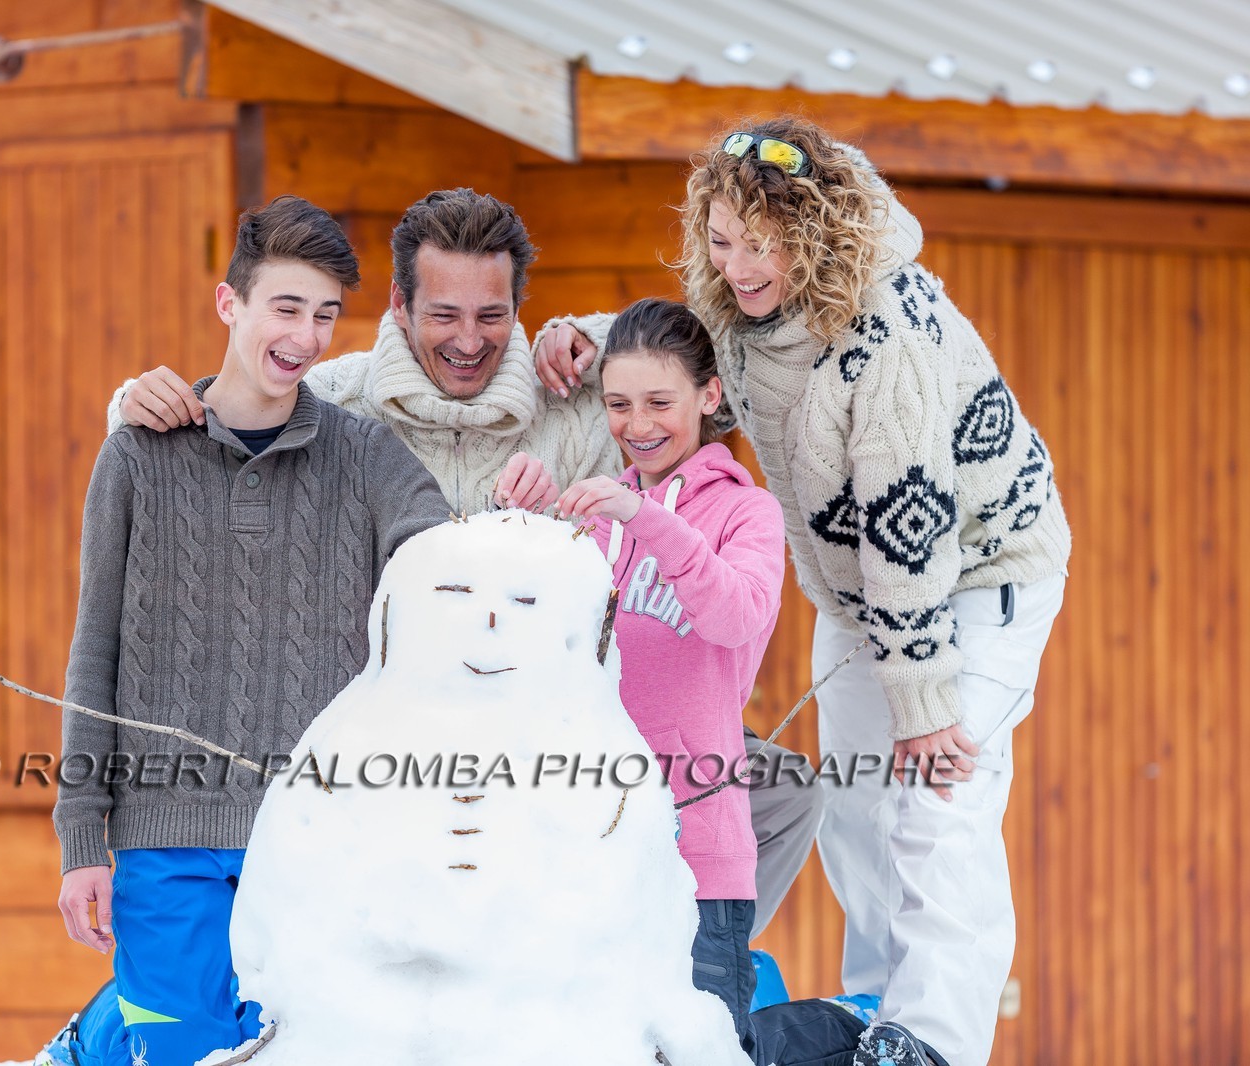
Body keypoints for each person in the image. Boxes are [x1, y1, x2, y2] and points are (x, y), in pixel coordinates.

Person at [105, 187, 825, 939]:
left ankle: (681, 972)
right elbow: (227, 419)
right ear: (399, 306)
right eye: (444, 315)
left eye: (492, 315)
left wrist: (597, 335)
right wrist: (140, 400)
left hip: (553, 724)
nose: (469, 341)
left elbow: (717, 380)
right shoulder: (337, 404)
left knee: (781, 792)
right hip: (393, 730)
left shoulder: (573, 398)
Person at [538, 119, 1071, 1066]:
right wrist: (589, 335)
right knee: (862, 806)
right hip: (861, 591)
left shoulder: (887, 333)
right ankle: (880, 1009)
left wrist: (923, 701)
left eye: (762, 243)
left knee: (935, 798)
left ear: (813, 232)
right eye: (722, 239)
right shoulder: (749, 313)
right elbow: (682, 347)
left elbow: (909, 523)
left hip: (973, 577)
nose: (739, 265)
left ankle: (938, 1041)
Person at [53, 194, 449, 1066]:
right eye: (286, 307)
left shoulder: (366, 457)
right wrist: (83, 840)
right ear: (229, 304)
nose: (305, 336)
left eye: (324, 315)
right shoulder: (137, 457)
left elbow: (450, 560)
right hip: (163, 844)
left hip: (314, 845)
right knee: (183, 1052)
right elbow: (96, 652)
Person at [557, 297, 872, 1066]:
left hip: (700, 859)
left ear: (709, 397)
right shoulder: (597, 519)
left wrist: (649, 521)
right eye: (619, 404)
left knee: (700, 1055)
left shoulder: (746, 512)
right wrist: (525, 513)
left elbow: (737, 616)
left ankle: (844, 1031)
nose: (638, 425)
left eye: (660, 402)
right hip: (585, 854)